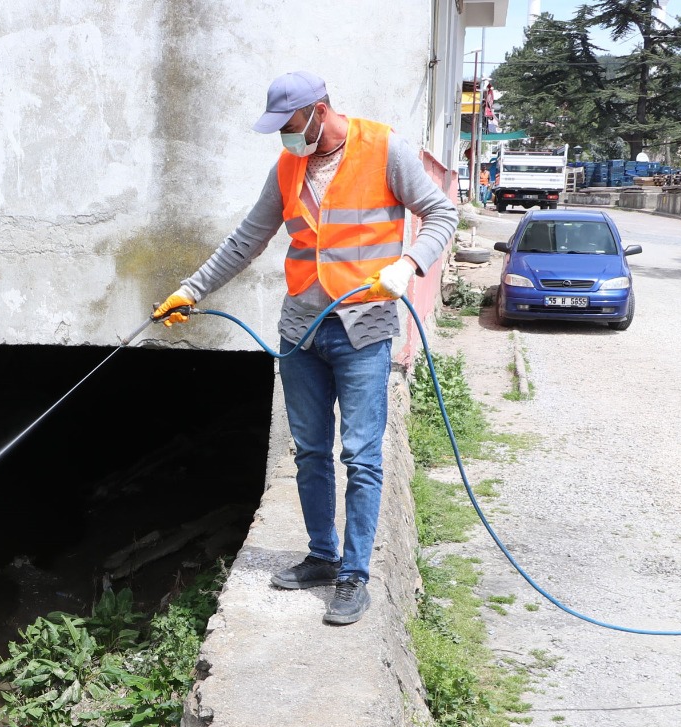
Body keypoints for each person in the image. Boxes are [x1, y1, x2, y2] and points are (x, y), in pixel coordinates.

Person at [153, 71, 457, 625]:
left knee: (361, 457)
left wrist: (408, 264)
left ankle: (354, 575)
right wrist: (189, 289)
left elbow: (442, 214)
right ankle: (322, 555)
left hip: (364, 328)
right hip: (301, 331)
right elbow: (247, 238)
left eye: (291, 127)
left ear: (320, 110)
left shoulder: (385, 149)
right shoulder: (288, 166)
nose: (286, 139)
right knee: (310, 452)